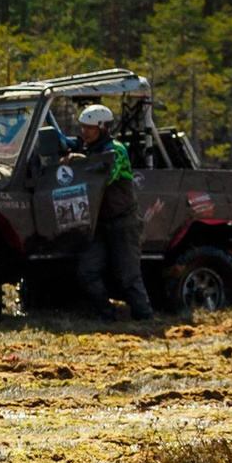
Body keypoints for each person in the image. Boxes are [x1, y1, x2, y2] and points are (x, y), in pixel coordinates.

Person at [72, 104, 153, 321]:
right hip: (99, 224)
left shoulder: (116, 150)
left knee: (128, 276)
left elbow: (106, 177)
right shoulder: (90, 150)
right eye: (83, 128)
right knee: (87, 271)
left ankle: (144, 317)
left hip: (123, 222)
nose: (84, 132)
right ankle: (107, 314)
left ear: (102, 127)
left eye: (89, 128)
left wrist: (79, 162)